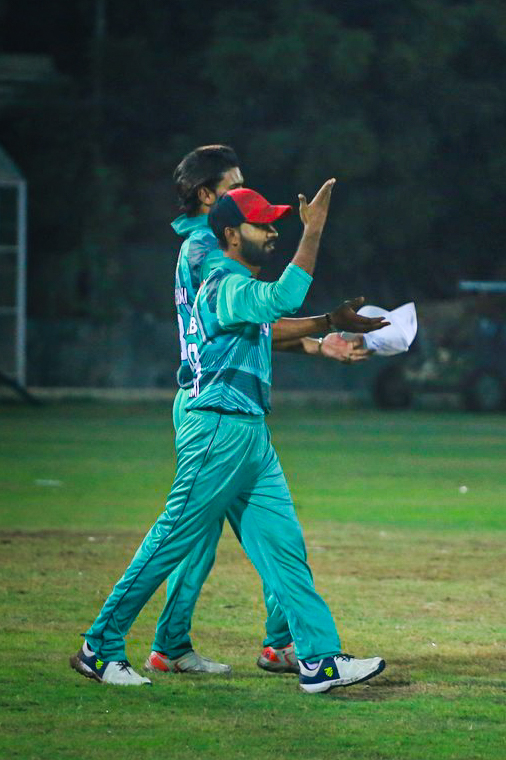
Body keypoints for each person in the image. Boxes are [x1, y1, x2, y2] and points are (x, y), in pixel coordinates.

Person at [71, 181, 388, 693]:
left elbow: (271, 319)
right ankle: (99, 646)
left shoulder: (239, 285)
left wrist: (328, 325)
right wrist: (313, 231)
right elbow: (284, 297)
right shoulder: (223, 281)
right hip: (217, 429)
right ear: (232, 235)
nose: (272, 231)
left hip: (251, 434)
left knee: (284, 547)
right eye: (261, 224)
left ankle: (320, 660)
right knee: (173, 540)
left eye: (274, 223)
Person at [150, 145, 374, 678]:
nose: (244, 194)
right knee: (206, 538)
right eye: (233, 185)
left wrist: (317, 342)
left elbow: (252, 326)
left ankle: (261, 643)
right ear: (207, 195)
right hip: (216, 410)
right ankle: (127, 642)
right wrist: (321, 327)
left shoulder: (207, 244)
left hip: (226, 408)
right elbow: (256, 312)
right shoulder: (206, 249)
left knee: (254, 535)